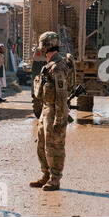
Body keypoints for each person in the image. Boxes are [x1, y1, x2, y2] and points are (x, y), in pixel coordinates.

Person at [30, 32, 70, 192]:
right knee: (42, 145)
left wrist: (60, 119)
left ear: (45, 46)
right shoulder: (50, 65)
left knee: (54, 146)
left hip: (54, 109)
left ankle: (55, 178)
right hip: (46, 109)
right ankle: (45, 174)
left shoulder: (58, 66)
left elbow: (61, 95)